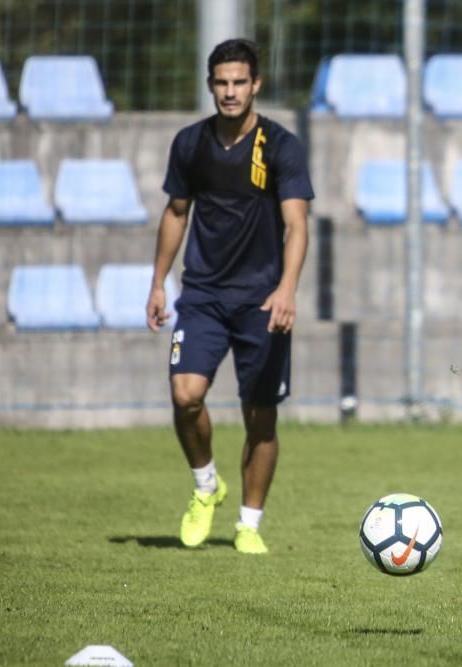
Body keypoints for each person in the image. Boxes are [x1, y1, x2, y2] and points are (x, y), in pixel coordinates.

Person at [146, 38, 314, 555]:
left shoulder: (280, 146)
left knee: (260, 415)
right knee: (185, 394)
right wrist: (158, 281)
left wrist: (287, 289)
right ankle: (206, 487)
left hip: (263, 301)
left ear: (256, 84)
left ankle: (249, 524)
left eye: (240, 82)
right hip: (203, 295)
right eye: (221, 83)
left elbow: (297, 225)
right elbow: (177, 212)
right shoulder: (191, 144)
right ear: (210, 85)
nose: (230, 92)